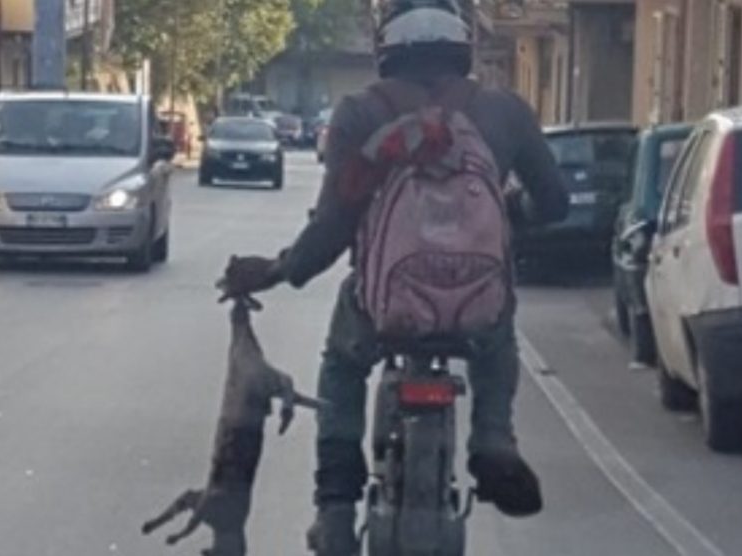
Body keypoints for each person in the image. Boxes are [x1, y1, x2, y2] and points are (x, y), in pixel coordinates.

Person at [219, 1, 569, 553]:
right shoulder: (505, 112)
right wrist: (505, 216)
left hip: (383, 309)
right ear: (463, 46)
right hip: (477, 304)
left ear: (386, 48)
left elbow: (335, 226)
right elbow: (555, 203)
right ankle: (493, 437)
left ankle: (334, 509)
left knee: (342, 367)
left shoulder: (361, 113)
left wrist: (278, 270)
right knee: (499, 336)